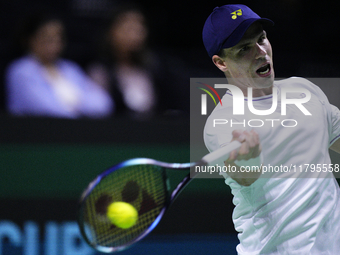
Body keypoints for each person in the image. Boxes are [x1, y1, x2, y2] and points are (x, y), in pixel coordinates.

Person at [201, 4, 340, 254]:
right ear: (221, 63)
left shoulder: (304, 90)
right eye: (244, 49)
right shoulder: (222, 123)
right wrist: (248, 159)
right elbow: (245, 176)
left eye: (262, 39)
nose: (261, 52)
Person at [88, 4, 189, 119]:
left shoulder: (156, 69)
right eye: (128, 27)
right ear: (111, 31)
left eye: (139, 27)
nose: (135, 33)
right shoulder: (100, 72)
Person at [5, 13, 114, 118]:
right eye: (47, 38)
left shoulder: (71, 69)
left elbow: (103, 104)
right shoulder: (21, 71)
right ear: (30, 39)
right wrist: (79, 107)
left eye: (58, 38)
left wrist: (74, 107)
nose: (53, 44)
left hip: (73, 130)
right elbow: (46, 109)